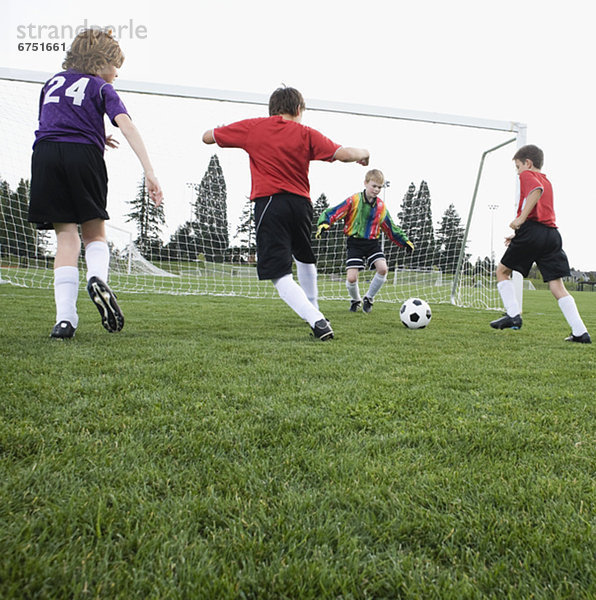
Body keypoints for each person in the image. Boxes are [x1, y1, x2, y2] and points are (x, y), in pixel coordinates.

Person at [202, 86, 369, 340]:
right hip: (301, 206)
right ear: (299, 110)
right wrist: (365, 153)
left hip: (270, 204)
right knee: (304, 258)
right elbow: (344, 154)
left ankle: (317, 320)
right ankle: (315, 309)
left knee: (279, 274)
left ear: (272, 110)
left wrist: (220, 130)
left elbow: (207, 137)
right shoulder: (306, 133)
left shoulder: (254, 127)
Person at [28, 28, 163, 339]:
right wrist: (149, 171)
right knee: (94, 230)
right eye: (115, 66)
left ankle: (65, 320)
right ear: (101, 62)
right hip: (83, 157)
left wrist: (95, 132)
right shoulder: (100, 86)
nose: (116, 74)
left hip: (45, 155)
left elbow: (55, 120)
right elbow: (126, 124)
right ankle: (98, 278)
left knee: (65, 236)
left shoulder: (51, 83)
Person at [490, 144, 591, 343]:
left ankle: (513, 315)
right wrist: (518, 233)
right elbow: (542, 207)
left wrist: (519, 222)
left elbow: (536, 191)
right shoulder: (548, 180)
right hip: (551, 235)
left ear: (528, 163)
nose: (518, 171)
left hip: (532, 232)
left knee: (502, 271)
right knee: (557, 285)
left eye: (518, 166)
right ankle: (580, 332)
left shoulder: (528, 176)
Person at [316, 169, 413, 313]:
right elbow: (335, 211)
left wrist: (404, 241)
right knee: (352, 278)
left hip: (372, 243)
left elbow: (390, 227)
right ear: (366, 183)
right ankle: (356, 300)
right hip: (354, 243)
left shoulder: (381, 207)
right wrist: (324, 223)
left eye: (379, 187)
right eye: (374, 186)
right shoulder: (354, 200)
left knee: (383, 268)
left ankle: (369, 298)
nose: (377, 190)